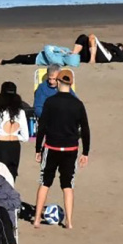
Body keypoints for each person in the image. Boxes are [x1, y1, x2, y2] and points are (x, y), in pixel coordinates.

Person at [33, 68, 90, 229]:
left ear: (58, 82)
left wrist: (38, 149)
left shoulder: (50, 102)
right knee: (67, 185)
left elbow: (42, 127)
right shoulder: (78, 104)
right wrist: (86, 152)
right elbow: (85, 129)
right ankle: (69, 222)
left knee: (45, 182)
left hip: (51, 147)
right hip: (70, 149)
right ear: (71, 84)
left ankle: (37, 219)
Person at [0, 82, 29, 179]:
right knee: (11, 176)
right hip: (15, 147)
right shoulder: (21, 112)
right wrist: (14, 136)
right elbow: (25, 137)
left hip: (0, 146)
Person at [0, 44, 80, 67]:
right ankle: (3, 61)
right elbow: (66, 50)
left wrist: (57, 49)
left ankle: (2, 62)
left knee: (19, 58)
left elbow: (47, 48)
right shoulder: (65, 56)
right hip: (39, 56)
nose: (71, 52)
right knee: (20, 58)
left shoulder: (56, 60)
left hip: (36, 59)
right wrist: (63, 51)